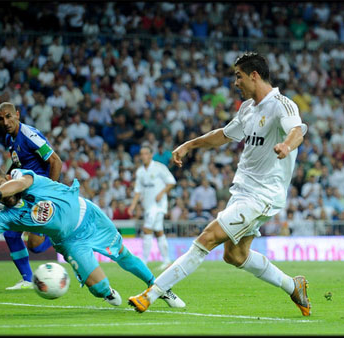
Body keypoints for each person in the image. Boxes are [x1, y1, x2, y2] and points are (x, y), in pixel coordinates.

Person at [128, 52, 311, 316]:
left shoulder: (282, 105)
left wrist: (286, 145)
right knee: (234, 255)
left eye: (238, 76)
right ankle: (293, 286)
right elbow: (224, 135)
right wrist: (190, 144)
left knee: (207, 238)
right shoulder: (248, 108)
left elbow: (297, 130)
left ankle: (152, 293)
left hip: (262, 195)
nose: (235, 82)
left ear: (254, 75)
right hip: (242, 191)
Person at [0, 166, 185, 309]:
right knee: (100, 289)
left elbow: (19, 183)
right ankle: (108, 293)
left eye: (1, 184)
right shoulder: (5, 215)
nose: (2, 190)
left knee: (123, 255)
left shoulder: (24, 178)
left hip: (88, 216)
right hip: (70, 242)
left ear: (5, 178)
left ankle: (160, 288)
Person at [0, 101, 63, 290]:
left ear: (17, 114)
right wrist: (4, 180)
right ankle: (27, 279)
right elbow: (18, 164)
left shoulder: (29, 135)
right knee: (10, 233)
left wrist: (51, 193)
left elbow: (56, 161)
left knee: (35, 245)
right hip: (27, 192)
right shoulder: (10, 139)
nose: (6, 121)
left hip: (41, 193)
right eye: (1, 119)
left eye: (9, 116)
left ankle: (58, 235)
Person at [128, 145, 176, 270]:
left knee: (146, 229)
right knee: (159, 231)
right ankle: (167, 260)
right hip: (148, 206)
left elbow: (171, 181)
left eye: (145, 153)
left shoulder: (159, 167)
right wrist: (132, 206)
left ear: (150, 155)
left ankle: (144, 260)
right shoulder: (140, 172)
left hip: (158, 206)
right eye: (141, 154)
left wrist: (162, 192)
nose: (143, 156)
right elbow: (138, 191)